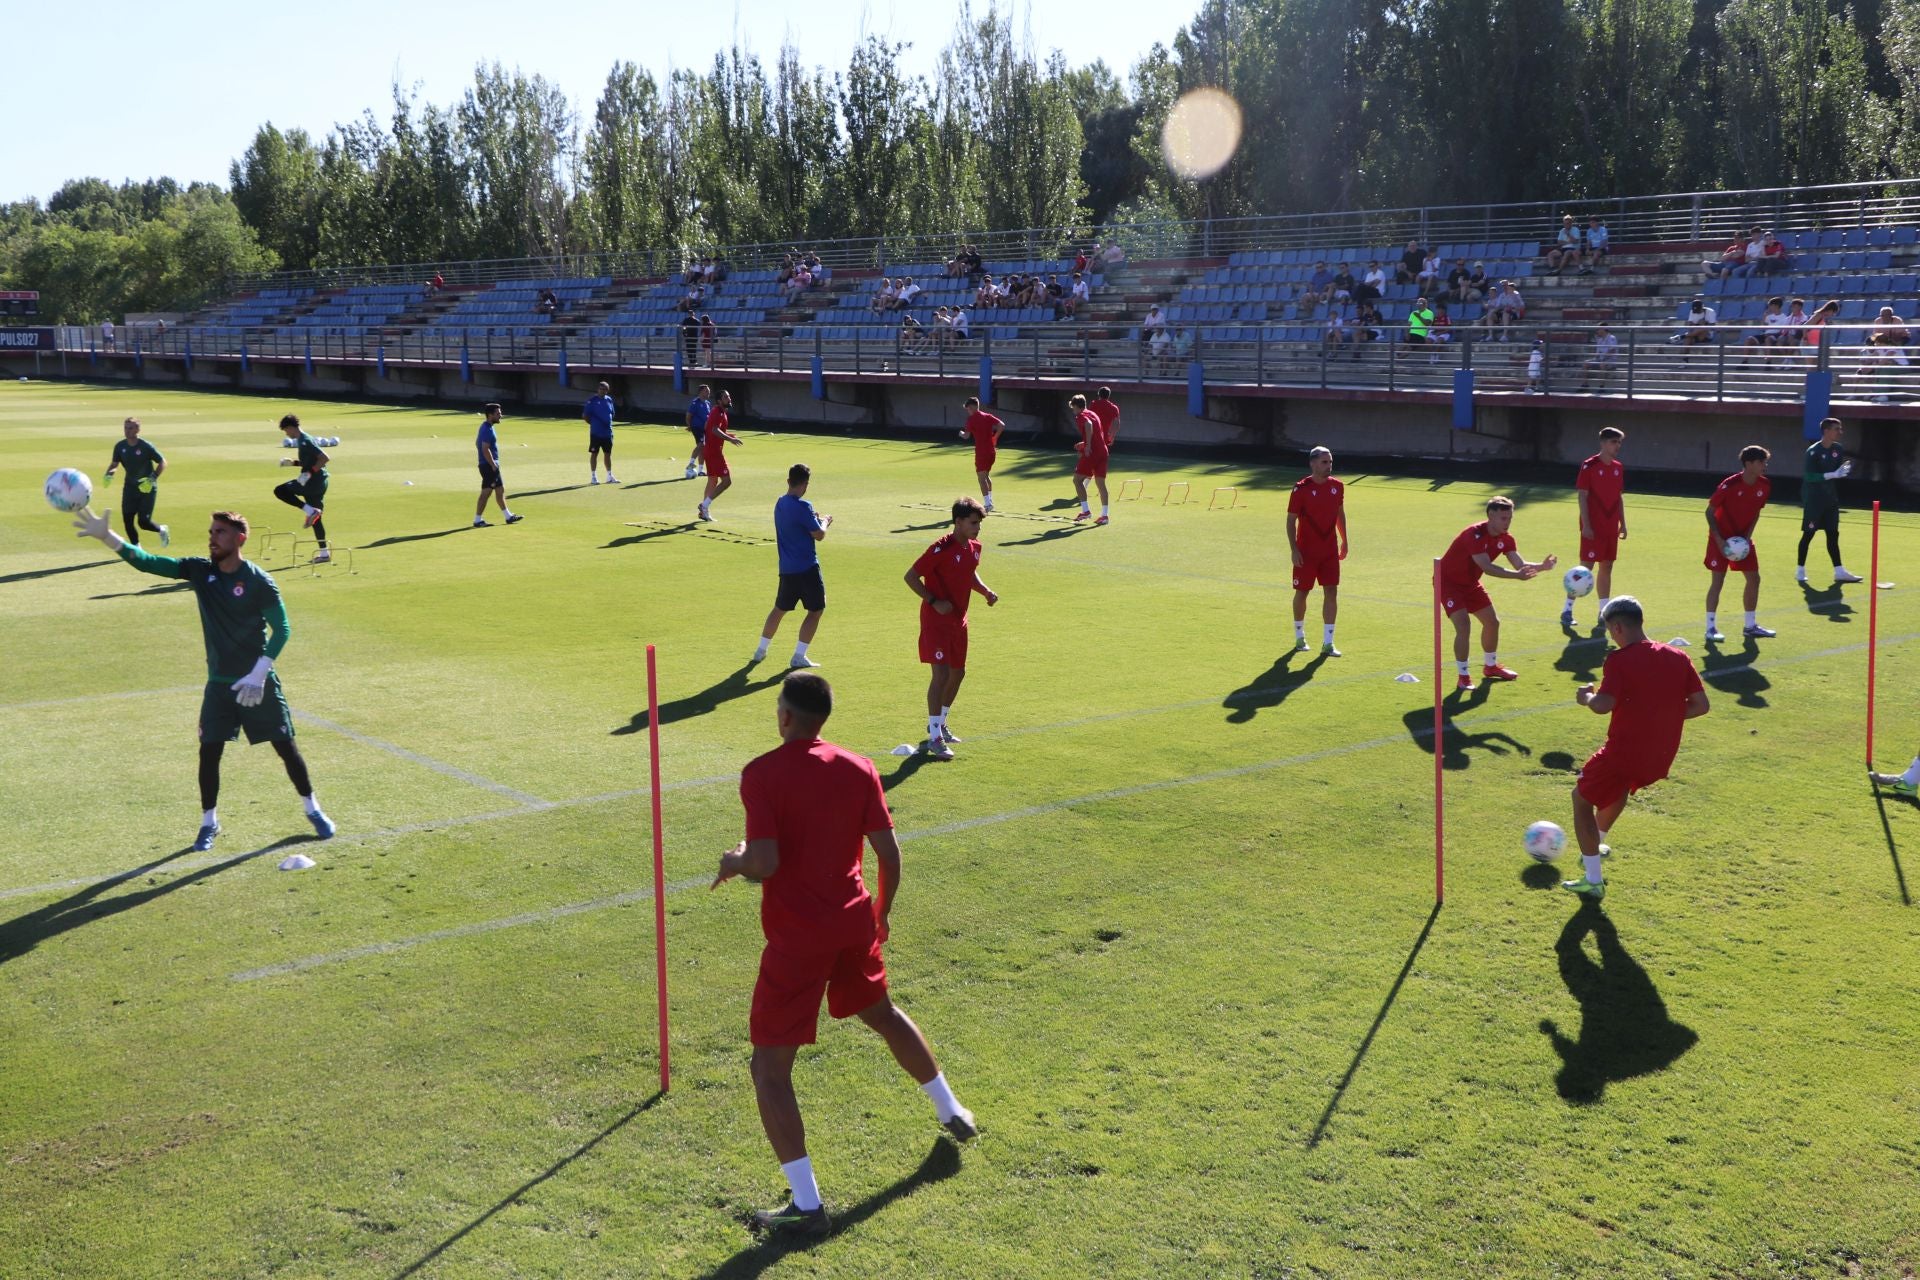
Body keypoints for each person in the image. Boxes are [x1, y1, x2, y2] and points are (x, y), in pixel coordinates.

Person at [711, 670, 977, 1240]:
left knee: (769, 1068)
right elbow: (889, 851)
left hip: (798, 940)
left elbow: (764, 862)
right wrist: (882, 912)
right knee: (880, 1012)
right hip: (853, 921)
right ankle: (952, 1109)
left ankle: (806, 1206)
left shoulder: (762, 773)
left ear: (784, 716)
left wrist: (733, 861)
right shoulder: (858, 767)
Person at [71, 505, 336, 853]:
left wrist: (259, 673)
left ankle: (313, 809)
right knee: (209, 752)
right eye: (211, 532)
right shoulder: (200, 571)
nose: (212, 538)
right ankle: (209, 822)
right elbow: (148, 562)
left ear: (239, 538)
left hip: (258, 683)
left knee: (286, 748)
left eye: (220, 532)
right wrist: (107, 536)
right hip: (219, 685)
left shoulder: (259, 582)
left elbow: (282, 629)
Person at [1562, 597, 1711, 902]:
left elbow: (1603, 706)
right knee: (1619, 788)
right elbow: (1700, 706)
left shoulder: (1619, 660)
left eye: (1610, 630)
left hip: (1625, 750)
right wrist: (1661, 714)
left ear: (1617, 626)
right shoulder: (1678, 656)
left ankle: (1592, 880)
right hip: (1659, 756)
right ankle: (1597, 843)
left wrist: (1586, 697)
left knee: (1580, 799)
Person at [904, 497, 998, 759]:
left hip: (959, 621)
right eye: (973, 523)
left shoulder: (974, 547)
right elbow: (910, 576)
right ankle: (935, 738)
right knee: (941, 675)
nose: (977, 528)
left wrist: (985, 591)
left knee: (958, 673)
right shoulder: (940, 548)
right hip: (936, 622)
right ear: (958, 522)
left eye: (978, 523)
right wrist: (934, 600)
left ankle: (940, 724)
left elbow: (968, 573)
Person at [1439, 496, 1558, 691]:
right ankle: (1463, 676)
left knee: (1492, 622)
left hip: (1470, 583)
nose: (1508, 522)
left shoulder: (1506, 538)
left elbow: (1519, 564)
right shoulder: (1474, 534)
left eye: (1510, 518)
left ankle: (1491, 666)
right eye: (1504, 518)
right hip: (1448, 583)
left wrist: (1542, 566)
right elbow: (1487, 567)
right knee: (1464, 626)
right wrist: (1517, 576)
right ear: (1490, 516)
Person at [753, 464, 834, 670]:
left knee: (779, 609)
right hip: (807, 568)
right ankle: (799, 655)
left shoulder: (780, 503)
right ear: (806, 484)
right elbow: (819, 534)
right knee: (816, 610)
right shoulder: (804, 506)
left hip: (787, 569)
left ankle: (761, 650)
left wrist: (812, 519)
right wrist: (824, 521)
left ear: (789, 481)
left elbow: (799, 524)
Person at [1703, 444, 1773, 642]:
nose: (1764, 465)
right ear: (1748, 463)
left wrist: (1747, 538)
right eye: (1761, 462)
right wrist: (1718, 539)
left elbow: (1756, 511)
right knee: (1718, 581)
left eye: (1765, 462)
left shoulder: (1765, 485)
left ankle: (1750, 626)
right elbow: (1709, 511)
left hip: (1742, 540)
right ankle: (1710, 628)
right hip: (1721, 539)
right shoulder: (1729, 484)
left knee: (1754, 578)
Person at [1286, 446, 1348, 657]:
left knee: (1332, 591)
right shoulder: (1301, 489)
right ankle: (1299, 636)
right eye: (1324, 462)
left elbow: (1340, 513)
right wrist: (1294, 549)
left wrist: (1345, 540)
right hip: (1306, 551)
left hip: (1329, 550)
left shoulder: (1337, 486)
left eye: (1330, 462)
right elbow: (1290, 521)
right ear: (1312, 463)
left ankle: (1328, 643)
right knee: (1302, 592)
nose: (1329, 466)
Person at [1566, 427, 1628, 628]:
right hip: (1593, 526)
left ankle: (1603, 611)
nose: (1617, 446)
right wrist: (1586, 525)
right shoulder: (1589, 465)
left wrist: (1623, 523)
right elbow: (1582, 495)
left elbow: (1618, 497)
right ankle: (1567, 609)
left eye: (1619, 442)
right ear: (1603, 443)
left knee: (1607, 565)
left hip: (1611, 526)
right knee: (1585, 569)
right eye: (1613, 442)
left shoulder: (1618, 467)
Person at [1797, 417, 1863, 586]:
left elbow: (1835, 471)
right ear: (1826, 431)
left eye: (1840, 429)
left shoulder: (1838, 449)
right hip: (1814, 499)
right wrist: (1833, 474)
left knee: (1833, 534)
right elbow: (1809, 476)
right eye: (1836, 429)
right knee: (1808, 534)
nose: (1840, 432)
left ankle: (1839, 571)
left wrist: (1841, 472)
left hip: (1830, 498)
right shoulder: (1813, 451)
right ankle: (1800, 569)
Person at [274, 414, 334, 563]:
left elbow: (325, 458)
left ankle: (310, 511)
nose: (286, 434)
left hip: (313, 482)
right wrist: (293, 463)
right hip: (319, 482)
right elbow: (310, 461)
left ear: (290, 427)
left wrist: (309, 473)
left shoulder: (305, 440)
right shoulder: (304, 439)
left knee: (280, 491)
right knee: (316, 519)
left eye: (286, 431)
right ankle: (324, 553)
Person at [104, 416, 168, 548]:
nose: (127, 431)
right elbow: (115, 464)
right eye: (125, 428)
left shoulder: (146, 446)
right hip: (130, 488)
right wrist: (109, 474)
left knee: (143, 522)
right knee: (127, 520)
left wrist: (152, 478)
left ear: (138, 429)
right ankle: (137, 548)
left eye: (130, 428)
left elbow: (163, 462)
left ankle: (162, 530)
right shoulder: (120, 446)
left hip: (147, 488)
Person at [471, 403, 524, 528]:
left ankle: (508, 516)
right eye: (498, 413)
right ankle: (477, 520)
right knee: (486, 493)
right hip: (489, 466)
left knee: (500, 490)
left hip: (489, 465)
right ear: (490, 415)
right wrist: (493, 464)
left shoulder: (487, 426)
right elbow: (485, 449)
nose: (501, 415)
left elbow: (477, 443)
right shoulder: (487, 429)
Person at [699, 390, 743, 522]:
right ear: (719, 400)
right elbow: (714, 429)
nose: (729, 398)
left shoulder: (720, 412)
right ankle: (704, 505)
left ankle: (703, 511)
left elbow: (710, 427)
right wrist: (730, 440)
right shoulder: (718, 412)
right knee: (726, 481)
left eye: (729, 396)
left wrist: (729, 436)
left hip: (710, 450)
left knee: (712, 480)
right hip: (714, 452)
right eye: (726, 397)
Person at [1069, 393, 1110, 525]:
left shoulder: (1082, 416)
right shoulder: (1093, 413)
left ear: (1077, 406)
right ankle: (1104, 516)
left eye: (1073, 407)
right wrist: (1084, 442)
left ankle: (1086, 511)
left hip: (1093, 453)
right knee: (1101, 485)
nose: (1073, 411)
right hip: (1103, 451)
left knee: (1077, 480)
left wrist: (1087, 446)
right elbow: (1095, 432)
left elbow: (1088, 424)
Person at [960, 396, 1003, 512]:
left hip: (981, 452)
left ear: (973, 407)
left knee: (981, 478)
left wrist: (961, 433)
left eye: (968, 408)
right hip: (991, 451)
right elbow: (1001, 425)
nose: (968, 411)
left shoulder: (971, 419)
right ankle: (990, 501)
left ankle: (988, 504)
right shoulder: (987, 416)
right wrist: (995, 438)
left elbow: (966, 436)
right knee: (986, 476)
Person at [583, 381, 618, 485]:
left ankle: (609, 476)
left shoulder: (609, 400)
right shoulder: (592, 401)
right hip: (596, 433)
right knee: (594, 453)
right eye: (601, 389)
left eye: (605, 389)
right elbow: (585, 416)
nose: (602, 391)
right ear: (598, 389)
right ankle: (594, 477)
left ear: (607, 390)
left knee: (608, 454)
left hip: (608, 433)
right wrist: (594, 424)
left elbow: (612, 414)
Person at [685, 383, 712, 481]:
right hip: (697, 427)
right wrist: (689, 425)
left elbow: (709, 416)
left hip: (705, 429)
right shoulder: (695, 403)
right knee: (701, 444)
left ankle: (700, 470)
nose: (708, 392)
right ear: (700, 392)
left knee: (703, 448)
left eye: (709, 391)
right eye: (706, 391)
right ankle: (691, 463)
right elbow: (688, 415)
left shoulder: (708, 403)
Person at [1579, 325, 1619, 390]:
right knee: (1585, 363)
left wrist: (1604, 358)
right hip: (1600, 359)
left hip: (1610, 360)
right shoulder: (1599, 339)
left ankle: (1601, 387)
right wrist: (1595, 358)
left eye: (1598, 329)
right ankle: (1585, 384)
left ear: (1603, 329)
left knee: (1602, 364)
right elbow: (1598, 353)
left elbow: (1612, 350)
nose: (1597, 331)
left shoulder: (1611, 337)